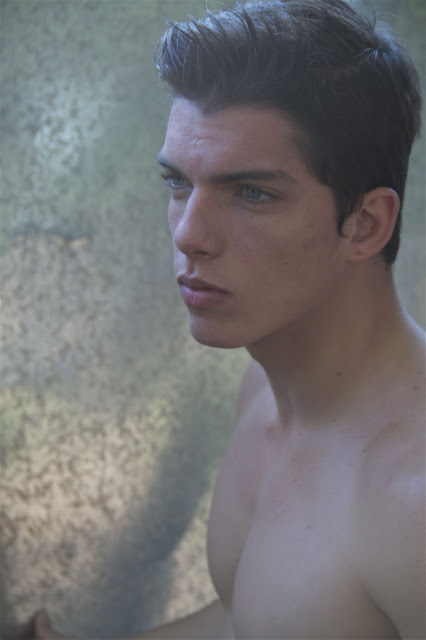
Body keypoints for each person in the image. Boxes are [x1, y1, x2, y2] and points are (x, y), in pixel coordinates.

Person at [31, 0, 425, 637]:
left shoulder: (412, 502)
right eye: (178, 183)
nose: (189, 234)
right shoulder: (265, 390)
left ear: (366, 223)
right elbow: (252, 618)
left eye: (252, 193)